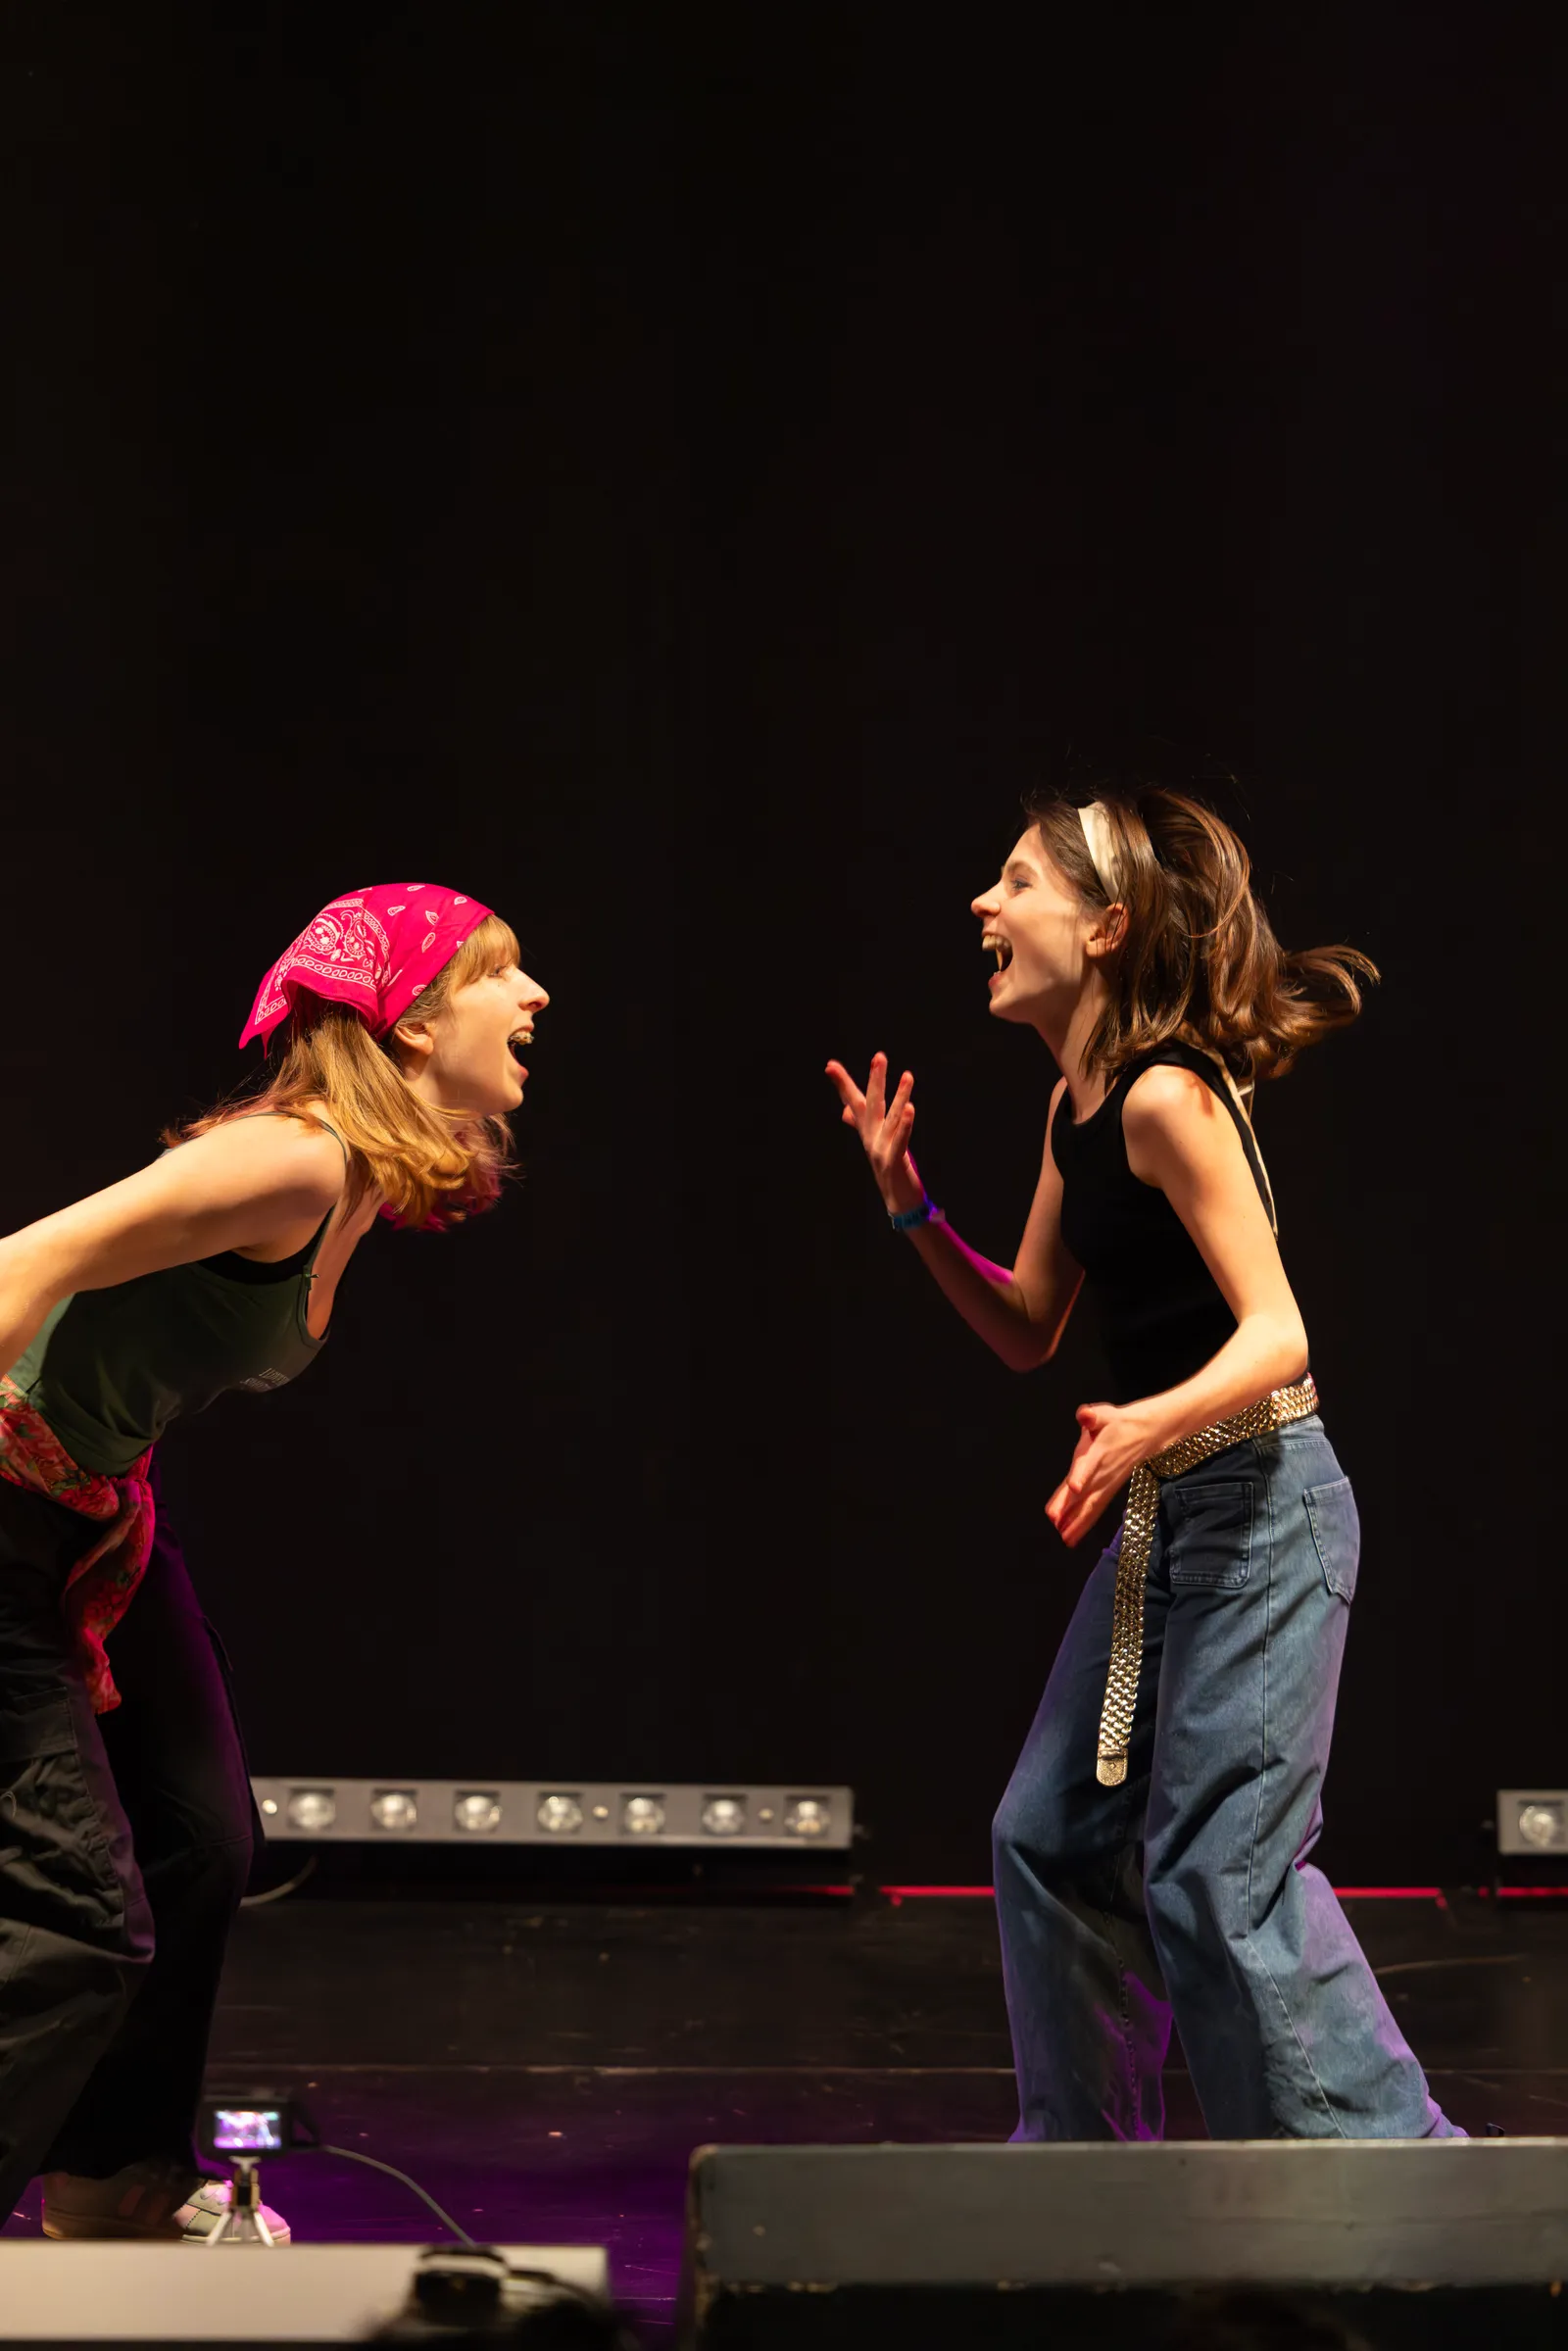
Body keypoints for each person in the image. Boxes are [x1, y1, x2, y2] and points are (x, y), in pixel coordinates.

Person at [827, 788, 1459, 2141]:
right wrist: (911, 1206)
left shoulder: (1169, 1094)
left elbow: (1279, 1333)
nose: (985, 905)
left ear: (1106, 927)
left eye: (1017, 882)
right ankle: (1084, 2177)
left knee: (1219, 1875)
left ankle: (1401, 2175)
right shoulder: (1077, 1107)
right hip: (1174, 1512)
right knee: (1048, 1841)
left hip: (1267, 1509)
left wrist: (1144, 1423)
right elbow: (1027, 1323)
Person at [1, 886, 549, 2234]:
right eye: (502, 974)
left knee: (203, 1838)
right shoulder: (292, 1160)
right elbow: (23, 1262)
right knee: (75, 1907)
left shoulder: (352, 1182)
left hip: (97, 1506)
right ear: (410, 1021)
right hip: (9, 1497)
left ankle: (114, 2180)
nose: (535, 997)